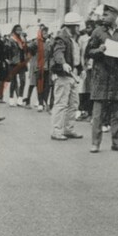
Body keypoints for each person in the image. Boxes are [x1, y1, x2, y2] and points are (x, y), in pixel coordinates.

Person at [85, 4, 118, 153]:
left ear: (114, 16)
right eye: (102, 15)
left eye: (106, 15)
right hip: (101, 76)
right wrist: (99, 50)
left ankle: (117, 143)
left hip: (117, 77)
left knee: (117, 113)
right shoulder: (97, 32)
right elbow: (88, 52)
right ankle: (95, 143)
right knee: (98, 113)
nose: (102, 18)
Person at [49, 12, 85, 141]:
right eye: (77, 26)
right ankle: (57, 130)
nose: (79, 28)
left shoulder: (72, 38)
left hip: (73, 74)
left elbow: (76, 56)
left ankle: (68, 129)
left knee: (73, 103)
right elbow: (58, 52)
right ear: (73, 26)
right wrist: (63, 63)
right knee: (61, 103)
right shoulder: (62, 38)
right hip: (64, 75)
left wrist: (81, 69)